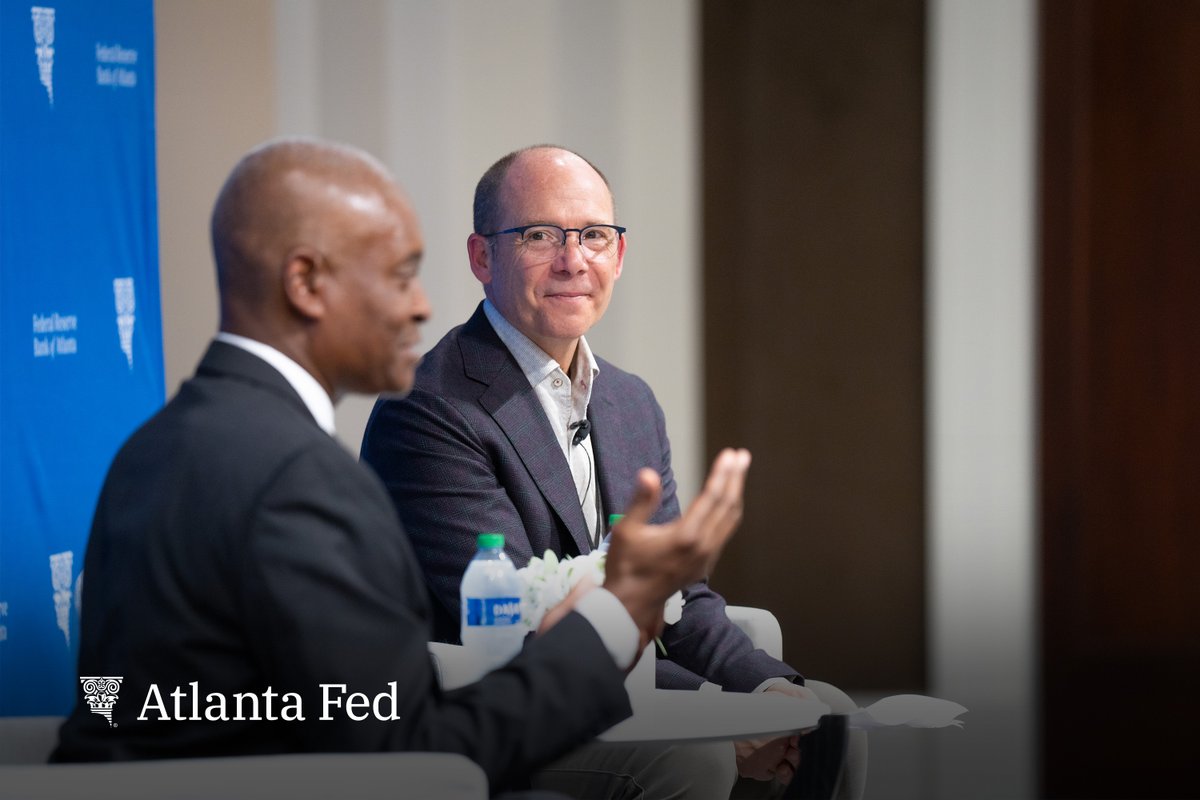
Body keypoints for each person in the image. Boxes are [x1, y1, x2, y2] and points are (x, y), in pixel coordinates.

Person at [51, 138, 754, 797]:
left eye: (594, 236)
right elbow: (412, 747)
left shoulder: (164, 442)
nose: (420, 307)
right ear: (306, 283)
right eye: (399, 276)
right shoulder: (298, 478)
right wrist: (613, 617)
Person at [360, 145, 860, 796]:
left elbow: (681, 598)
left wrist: (767, 691)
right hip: (483, 713)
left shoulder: (630, 402)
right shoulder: (429, 407)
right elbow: (512, 623)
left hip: (614, 689)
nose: (573, 261)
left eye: (593, 236)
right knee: (695, 753)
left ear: (618, 257)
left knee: (826, 715)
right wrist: (721, 712)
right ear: (483, 257)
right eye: (540, 236)